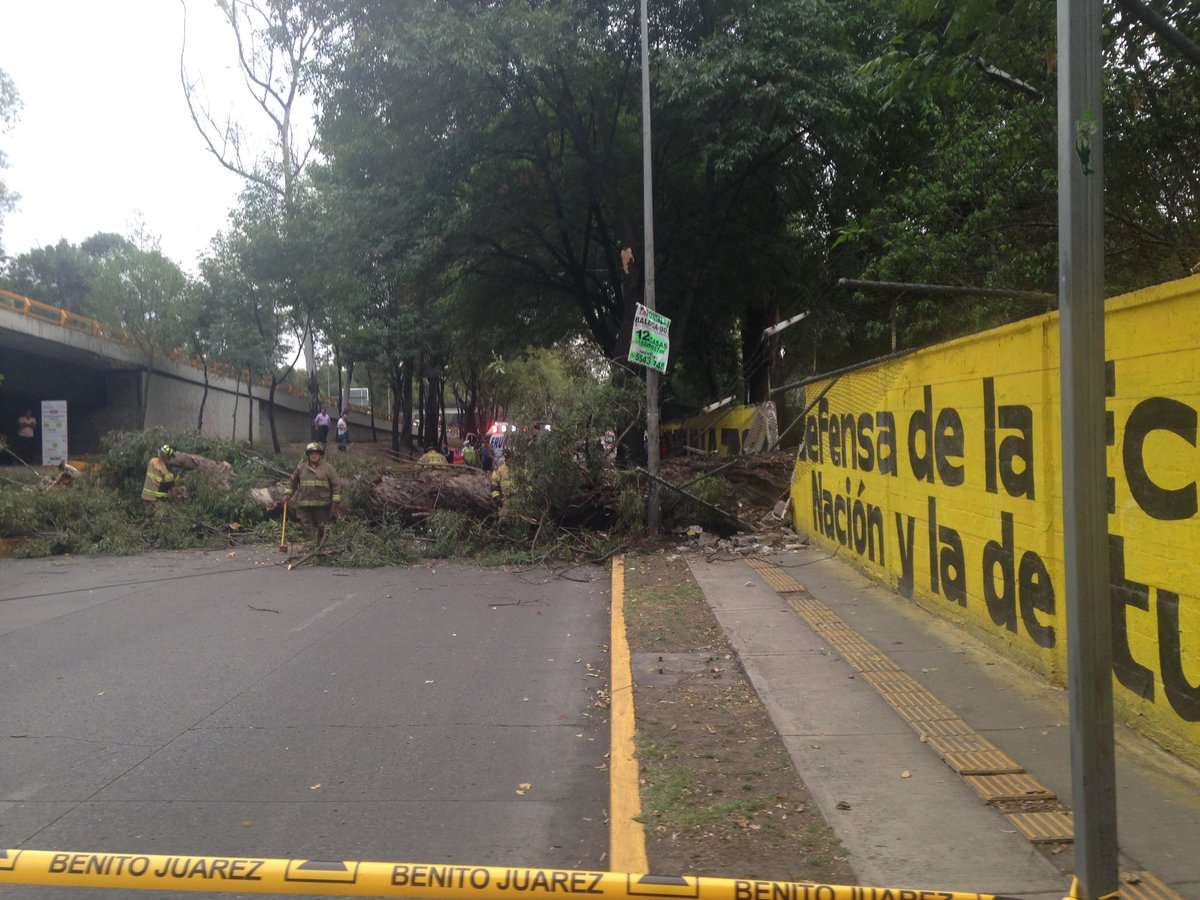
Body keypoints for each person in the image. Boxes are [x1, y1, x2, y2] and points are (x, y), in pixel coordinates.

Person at [283, 442, 342, 548]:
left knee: (322, 526)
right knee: (305, 525)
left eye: (316, 453)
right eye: (311, 453)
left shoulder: (328, 468)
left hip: (322, 505)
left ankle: (323, 547)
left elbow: (336, 485)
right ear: (308, 455)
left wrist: (335, 502)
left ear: (320, 455)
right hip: (304, 504)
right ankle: (310, 547)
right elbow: (293, 482)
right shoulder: (301, 468)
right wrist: (288, 493)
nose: (314, 455)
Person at [142, 444, 180, 514]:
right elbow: (170, 485)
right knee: (161, 520)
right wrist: (176, 478)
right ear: (167, 457)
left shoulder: (153, 461)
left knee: (148, 517)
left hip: (146, 496)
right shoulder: (165, 470)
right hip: (158, 500)